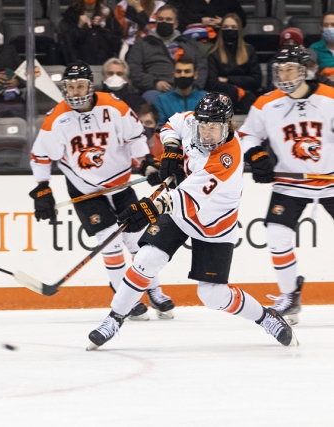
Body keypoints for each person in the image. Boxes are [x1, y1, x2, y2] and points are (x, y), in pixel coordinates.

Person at [87, 92, 297, 350]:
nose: (207, 133)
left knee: (212, 295)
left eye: (214, 127)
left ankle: (266, 317)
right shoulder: (190, 122)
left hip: (214, 224)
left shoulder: (227, 158)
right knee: (146, 259)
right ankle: (114, 318)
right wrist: (173, 149)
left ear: (228, 125)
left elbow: (186, 198)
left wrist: (150, 208)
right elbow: (170, 124)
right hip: (179, 213)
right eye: (203, 125)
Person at [29, 61, 174, 321]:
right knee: (109, 239)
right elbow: (40, 156)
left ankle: (154, 290)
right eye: (70, 87)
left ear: (90, 85)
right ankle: (122, 295)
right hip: (85, 190)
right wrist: (42, 189)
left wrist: (146, 162)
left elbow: (135, 137)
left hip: (121, 184)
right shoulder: (57, 118)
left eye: (80, 86)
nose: (75, 92)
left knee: (138, 239)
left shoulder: (115, 106)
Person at [239, 45, 334, 325]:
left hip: (331, 181)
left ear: (304, 70)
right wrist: (256, 156)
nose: (284, 74)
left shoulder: (330, 98)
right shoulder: (266, 103)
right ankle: (290, 295)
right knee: (277, 236)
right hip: (289, 184)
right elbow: (246, 136)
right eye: (279, 70)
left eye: (290, 68)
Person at [127, 4, 208, 104]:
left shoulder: (189, 43)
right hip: (157, 91)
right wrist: (154, 83)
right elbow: (134, 69)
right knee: (150, 97)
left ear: (176, 24)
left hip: (189, 89)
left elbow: (202, 65)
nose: (164, 22)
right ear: (156, 21)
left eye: (168, 19)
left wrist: (195, 86)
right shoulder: (142, 43)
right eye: (160, 19)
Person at [206, 13, 261, 115]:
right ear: (221, 30)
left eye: (233, 27)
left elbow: (256, 79)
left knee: (250, 101)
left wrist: (227, 79)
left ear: (239, 30)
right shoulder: (214, 53)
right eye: (226, 27)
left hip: (246, 94)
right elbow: (211, 82)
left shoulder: (249, 50)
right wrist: (235, 88)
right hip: (223, 96)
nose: (229, 30)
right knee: (230, 94)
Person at [61, 0, 122, 65]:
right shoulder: (72, 13)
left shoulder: (107, 13)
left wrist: (100, 28)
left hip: (103, 62)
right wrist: (79, 27)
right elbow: (67, 42)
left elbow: (115, 41)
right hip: (79, 61)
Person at [154, 55, 206, 128]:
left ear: (195, 75)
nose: (182, 75)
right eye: (178, 71)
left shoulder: (207, 99)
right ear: (173, 75)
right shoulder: (161, 100)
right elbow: (160, 128)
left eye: (187, 71)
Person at [166, 0, 246, 33]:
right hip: (191, 42)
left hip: (222, 42)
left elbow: (242, 20)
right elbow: (172, 17)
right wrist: (200, 21)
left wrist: (225, 22)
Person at [266, 27, 304, 92]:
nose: (290, 46)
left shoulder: (306, 61)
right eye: (286, 43)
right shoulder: (274, 63)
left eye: (294, 43)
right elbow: (271, 88)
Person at [310, 12, 334, 85]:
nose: (329, 28)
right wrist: (325, 79)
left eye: (333, 25)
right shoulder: (314, 48)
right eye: (325, 25)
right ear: (321, 28)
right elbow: (310, 73)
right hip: (324, 87)